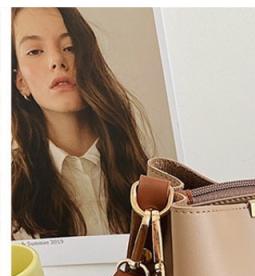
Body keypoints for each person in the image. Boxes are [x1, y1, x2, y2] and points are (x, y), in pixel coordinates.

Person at [11, 7, 155, 239]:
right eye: (35, 51)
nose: (57, 60)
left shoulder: (147, 173)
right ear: (20, 81)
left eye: (69, 47)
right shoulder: (13, 198)